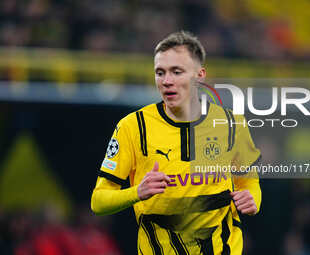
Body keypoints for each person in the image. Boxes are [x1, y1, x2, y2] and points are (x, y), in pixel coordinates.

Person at [91, 31, 262, 255]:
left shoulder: (232, 124)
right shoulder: (133, 127)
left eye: (176, 72)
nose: (166, 81)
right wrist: (137, 192)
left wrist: (253, 201)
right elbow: (98, 201)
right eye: (160, 73)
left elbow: (249, 183)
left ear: (200, 75)